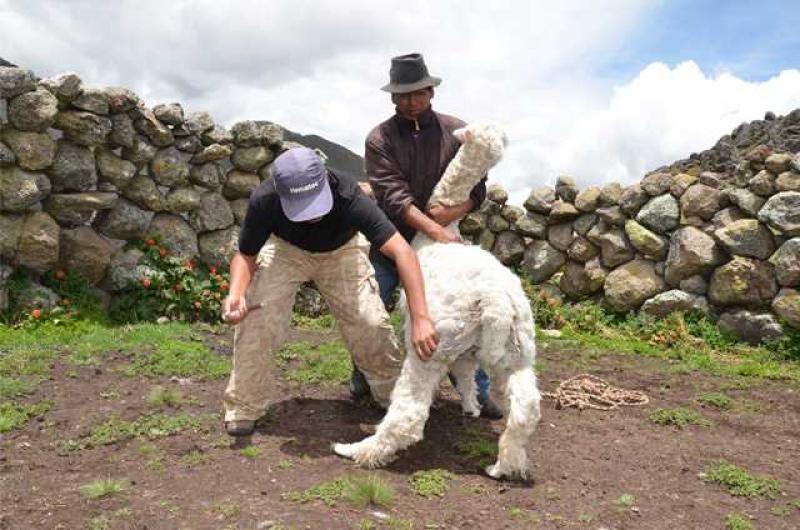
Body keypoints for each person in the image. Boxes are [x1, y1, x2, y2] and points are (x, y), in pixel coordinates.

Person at [222, 146, 439, 436]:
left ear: (324, 180)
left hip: (342, 251)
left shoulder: (349, 196)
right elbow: (246, 255)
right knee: (257, 318)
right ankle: (243, 406)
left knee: (369, 322)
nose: (310, 215)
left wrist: (421, 317)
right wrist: (236, 293)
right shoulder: (265, 200)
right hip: (285, 251)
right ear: (281, 193)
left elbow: (402, 251)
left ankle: (395, 399)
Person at [352, 52, 503, 420]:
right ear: (393, 97)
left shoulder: (457, 132)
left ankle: (478, 392)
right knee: (371, 309)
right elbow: (393, 196)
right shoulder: (380, 139)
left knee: (462, 311)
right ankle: (366, 380)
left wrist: (453, 213)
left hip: (442, 247)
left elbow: (477, 184)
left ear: (431, 92)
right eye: (403, 95)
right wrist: (434, 227)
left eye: (417, 93)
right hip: (391, 240)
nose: (410, 101)